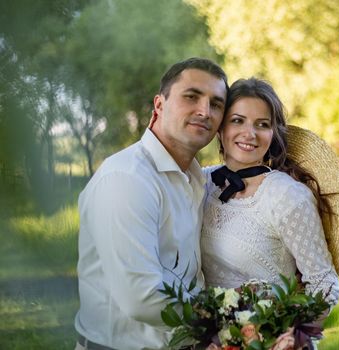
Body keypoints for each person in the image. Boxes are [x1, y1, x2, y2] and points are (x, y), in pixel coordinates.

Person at [74, 57, 228, 350]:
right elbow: (142, 298)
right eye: (192, 96)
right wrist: (232, 319)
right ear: (159, 105)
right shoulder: (127, 178)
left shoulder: (198, 179)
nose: (205, 111)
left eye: (217, 104)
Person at [200, 78, 339, 309]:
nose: (250, 133)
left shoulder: (285, 196)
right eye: (238, 121)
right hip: (208, 339)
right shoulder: (202, 181)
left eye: (262, 124)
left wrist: (283, 334)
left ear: (273, 133)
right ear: (220, 127)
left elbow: (324, 285)